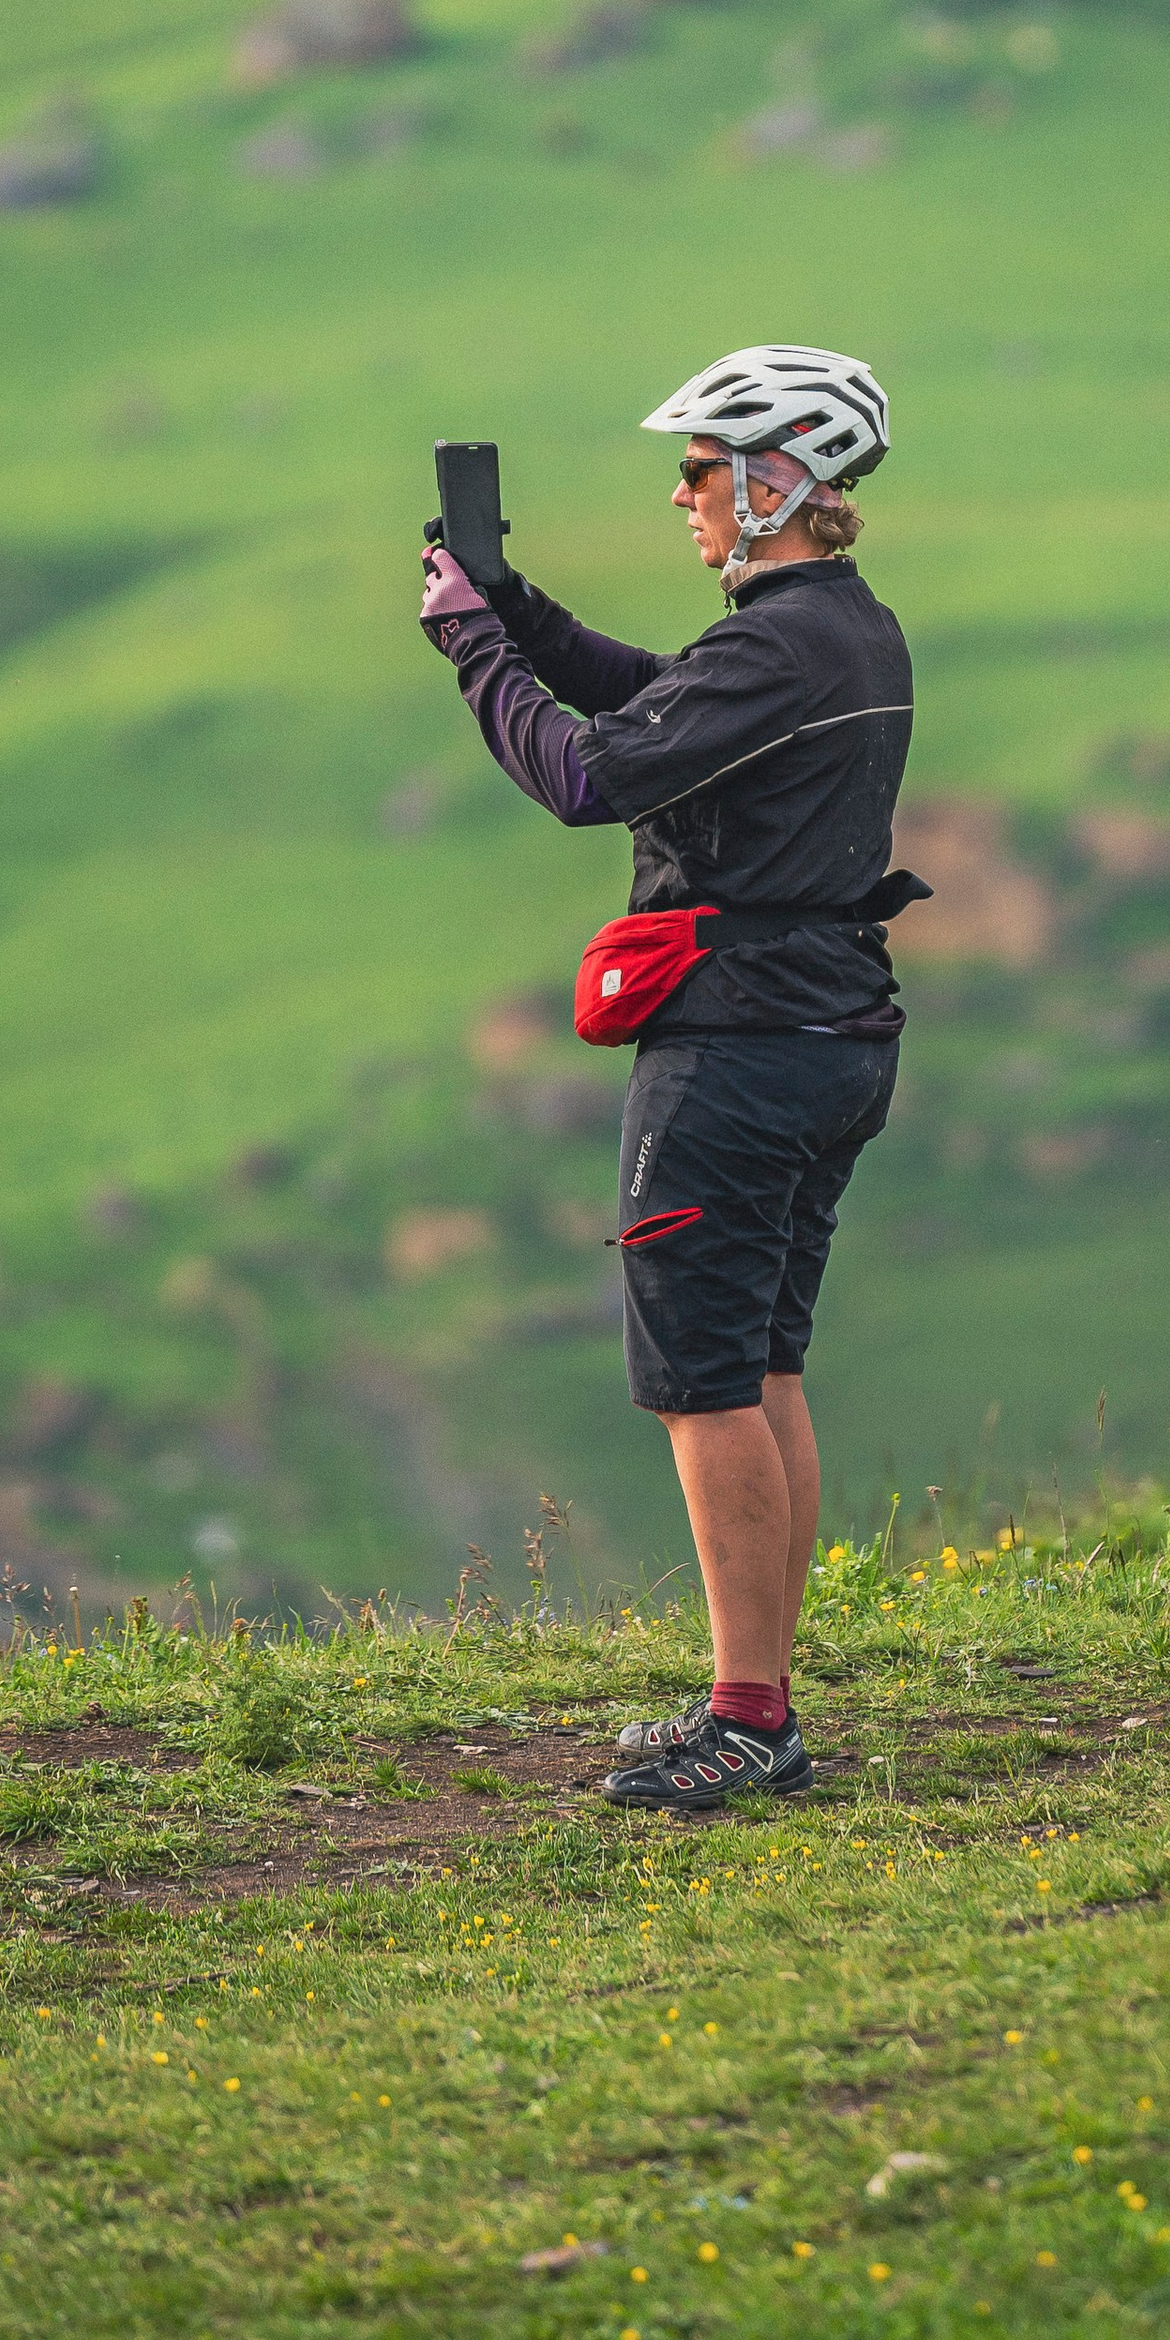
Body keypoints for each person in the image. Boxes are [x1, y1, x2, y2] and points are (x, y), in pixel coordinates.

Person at [416, 344, 920, 1810]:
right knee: (765, 1364)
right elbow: (660, 703)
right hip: (831, 1031)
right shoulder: (845, 632)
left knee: (704, 1378)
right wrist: (517, 611)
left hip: (739, 1048)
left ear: (776, 484)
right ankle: (756, 1694)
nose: (682, 493)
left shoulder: (776, 644)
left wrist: (469, 649)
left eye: (702, 469)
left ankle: (750, 1717)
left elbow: (587, 772)